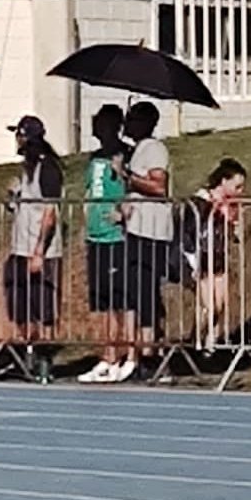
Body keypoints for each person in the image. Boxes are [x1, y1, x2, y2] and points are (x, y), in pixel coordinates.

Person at [3, 116, 63, 383]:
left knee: (45, 309)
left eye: (18, 135)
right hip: (20, 247)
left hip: (42, 252)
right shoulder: (25, 170)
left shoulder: (48, 168)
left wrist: (39, 251)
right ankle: (27, 355)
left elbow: (50, 213)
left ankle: (45, 361)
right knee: (21, 306)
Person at [119, 101, 172, 380]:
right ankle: (145, 352)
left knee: (146, 293)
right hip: (136, 228)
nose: (126, 123)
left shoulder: (154, 148)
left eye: (132, 119)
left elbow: (158, 186)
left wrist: (127, 176)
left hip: (151, 232)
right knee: (137, 293)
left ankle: (152, 356)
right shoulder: (138, 150)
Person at [78, 105, 132, 384]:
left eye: (104, 124)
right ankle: (104, 354)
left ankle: (118, 354)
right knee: (99, 299)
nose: (99, 129)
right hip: (95, 233)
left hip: (115, 236)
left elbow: (133, 190)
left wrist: (122, 212)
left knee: (116, 298)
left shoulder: (124, 154)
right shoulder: (94, 158)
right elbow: (90, 189)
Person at [183, 158, 248, 351]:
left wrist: (235, 227)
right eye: (237, 186)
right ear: (223, 181)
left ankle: (209, 343)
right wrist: (191, 260)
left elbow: (234, 234)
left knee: (220, 304)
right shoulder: (200, 201)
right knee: (209, 306)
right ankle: (197, 342)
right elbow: (189, 232)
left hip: (218, 256)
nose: (240, 191)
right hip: (201, 258)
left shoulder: (230, 206)